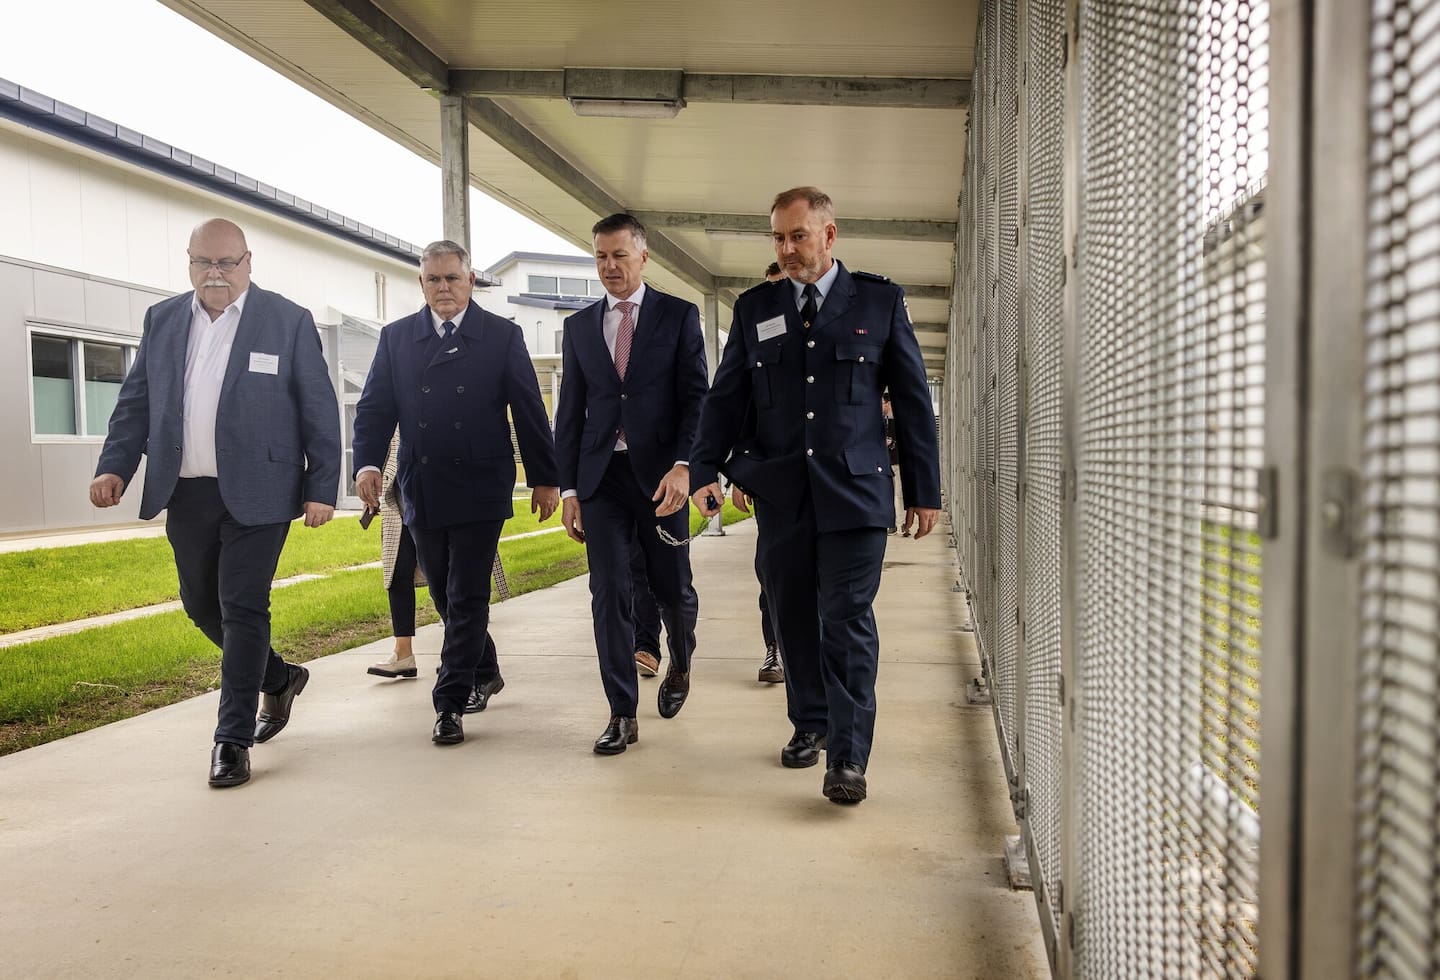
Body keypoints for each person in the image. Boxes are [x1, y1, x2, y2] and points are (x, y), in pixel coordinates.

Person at [690, 187, 941, 805]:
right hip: (783, 495)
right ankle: (810, 722)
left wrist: (924, 490)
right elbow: (727, 397)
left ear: (829, 235)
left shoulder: (879, 301)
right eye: (778, 237)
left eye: (797, 236)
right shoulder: (756, 308)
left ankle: (848, 758)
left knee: (847, 619)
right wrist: (704, 470)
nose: (787, 248)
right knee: (793, 614)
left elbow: (913, 402)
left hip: (855, 493)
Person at [89, 218, 341, 789]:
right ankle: (278, 677)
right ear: (189, 263)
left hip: (263, 491)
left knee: (243, 607)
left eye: (227, 262)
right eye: (203, 262)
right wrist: (114, 466)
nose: (215, 273)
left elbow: (319, 408)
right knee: (201, 605)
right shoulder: (162, 319)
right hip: (188, 491)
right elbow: (136, 402)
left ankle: (231, 741)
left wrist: (321, 487)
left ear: (248, 262)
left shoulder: (287, 320)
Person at [352, 240, 559, 746]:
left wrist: (545, 477)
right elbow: (375, 408)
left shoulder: (502, 335)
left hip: (481, 484)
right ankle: (484, 669)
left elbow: (529, 410)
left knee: (467, 593)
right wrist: (368, 464)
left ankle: (449, 702)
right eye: (433, 279)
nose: (443, 288)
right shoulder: (397, 338)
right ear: (421, 283)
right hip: (421, 484)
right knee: (445, 593)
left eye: (452, 278)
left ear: (470, 280)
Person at [555, 213, 708, 755]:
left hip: (663, 478)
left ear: (643, 256)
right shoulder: (579, 327)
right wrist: (569, 490)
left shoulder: (678, 315)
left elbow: (697, 398)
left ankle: (681, 661)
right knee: (609, 591)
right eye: (601, 256)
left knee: (672, 588)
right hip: (601, 479)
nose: (610, 266)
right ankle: (622, 711)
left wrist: (686, 466)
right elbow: (569, 413)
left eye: (620, 255)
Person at [882, 392, 904, 535]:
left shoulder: (895, 422)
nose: (882, 406)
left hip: (896, 462)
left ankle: (900, 524)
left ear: (889, 403)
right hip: (889, 462)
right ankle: (896, 524)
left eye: (883, 403)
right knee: (892, 494)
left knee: (898, 494)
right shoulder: (886, 422)